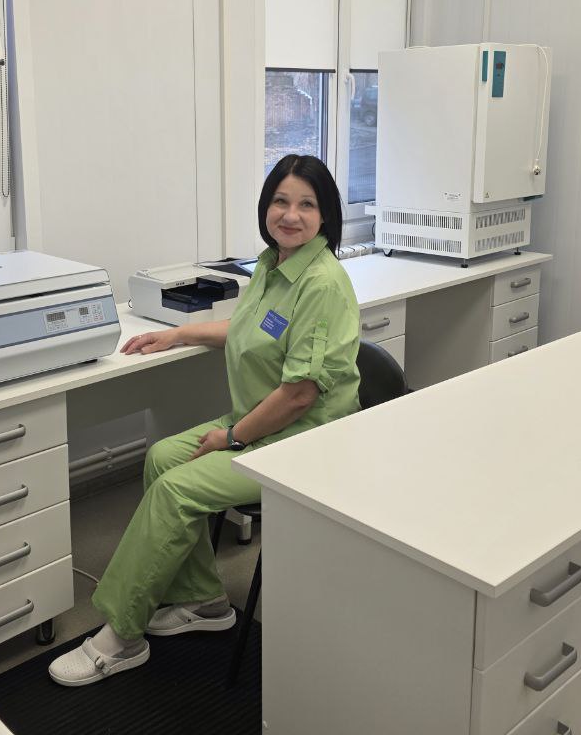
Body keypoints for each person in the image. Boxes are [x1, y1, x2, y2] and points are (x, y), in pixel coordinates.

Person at [49, 154, 362, 686]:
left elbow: (299, 395)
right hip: (262, 422)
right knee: (161, 457)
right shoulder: (274, 265)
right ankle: (204, 601)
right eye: (280, 201)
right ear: (265, 207)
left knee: (176, 491)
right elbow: (248, 328)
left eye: (306, 205)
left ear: (326, 214)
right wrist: (177, 334)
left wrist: (232, 437)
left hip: (302, 441)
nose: (290, 215)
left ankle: (120, 636)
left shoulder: (321, 284)